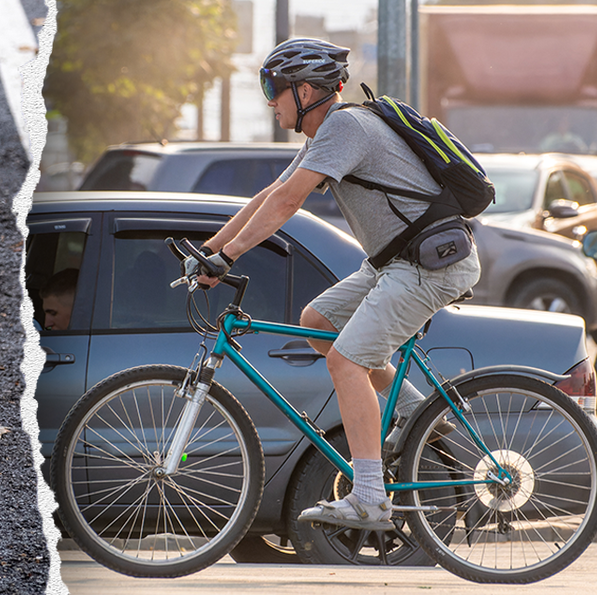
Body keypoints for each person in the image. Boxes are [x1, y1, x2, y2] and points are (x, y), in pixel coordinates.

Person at [186, 38, 481, 531]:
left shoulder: (345, 126)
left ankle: (370, 497)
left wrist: (228, 258)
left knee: (347, 360)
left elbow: (288, 204)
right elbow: (271, 194)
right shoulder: (325, 135)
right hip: (393, 261)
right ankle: (412, 410)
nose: (269, 100)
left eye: (273, 88)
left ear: (305, 90)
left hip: (429, 262)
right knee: (318, 322)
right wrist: (209, 249)